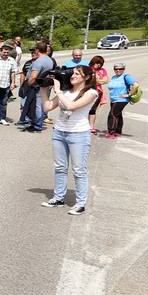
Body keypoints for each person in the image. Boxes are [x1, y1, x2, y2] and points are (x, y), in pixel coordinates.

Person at [42, 64, 99, 214]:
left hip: (78, 134)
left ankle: (80, 203)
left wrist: (58, 91)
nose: (73, 76)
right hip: (59, 132)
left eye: (77, 74)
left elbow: (71, 106)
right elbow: (47, 107)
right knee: (60, 167)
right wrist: (42, 88)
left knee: (79, 170)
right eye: (72, 73)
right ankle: (58, 198)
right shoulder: (66, 91)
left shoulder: (92, 93)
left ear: (86, 77)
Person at [21, 43, 55, 132]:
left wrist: (28, 84)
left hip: (36, 85)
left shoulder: (39, 61)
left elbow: (33, 77)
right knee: (38, 105)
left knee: (36, 106)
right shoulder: (49, 60)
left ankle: (36, 125)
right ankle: (35, 123)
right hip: (43, 85)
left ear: (37, 50)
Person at [104, 63, 138, 138]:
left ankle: (111, 132)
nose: (118, 70)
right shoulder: (114, 77)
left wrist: (129, 94)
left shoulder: (126, 76)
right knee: (118, 115)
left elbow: (136, 85)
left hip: (122, 99)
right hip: (114, 99)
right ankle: (118, 131)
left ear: (124, 69)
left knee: (112, 115)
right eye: (116, 69)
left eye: (120, 69)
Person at [87, 55, 108, 134]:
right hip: (86, 91)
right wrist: (98, 80)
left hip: (98, 92)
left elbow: (106, 80)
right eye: (97, 63)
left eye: (100, 64)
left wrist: (95, 80)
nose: (99, 65)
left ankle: (91, 126)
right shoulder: (87, 69)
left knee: (93, 109)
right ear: (93, 62)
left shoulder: (103, 70)